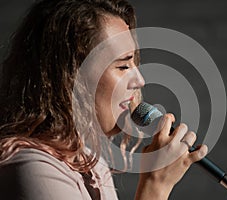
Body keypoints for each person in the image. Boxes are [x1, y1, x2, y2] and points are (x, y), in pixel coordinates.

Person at [0, 0, 208, 199]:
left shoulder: (93, 164)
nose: (140, 80)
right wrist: (156, 186)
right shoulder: (33, 168)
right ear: (72, 75)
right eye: (123, 66)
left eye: (135, 63)